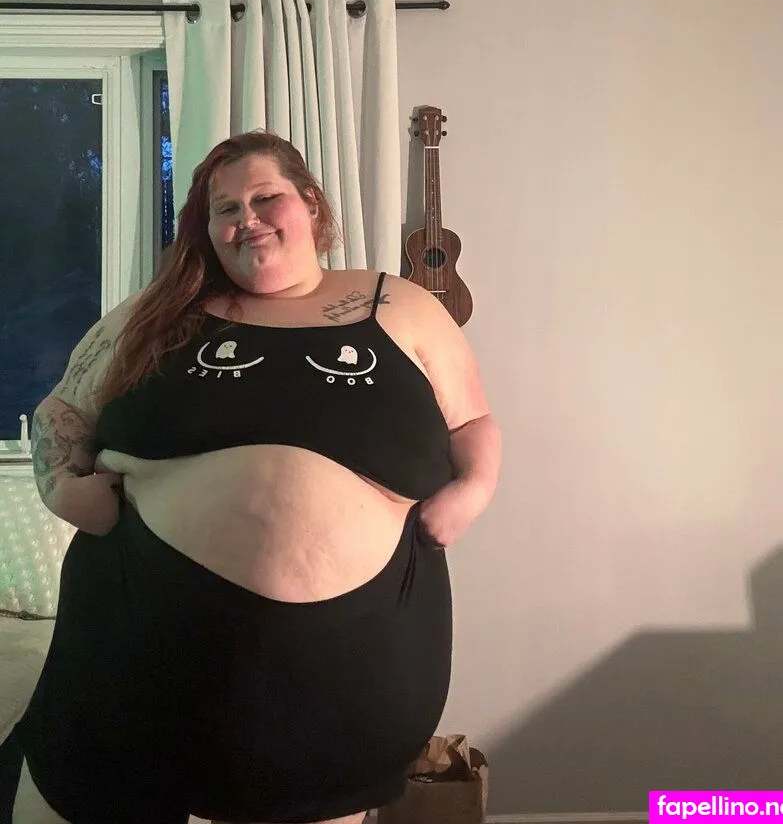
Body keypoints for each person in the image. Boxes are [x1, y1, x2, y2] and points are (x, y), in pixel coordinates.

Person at [13, 129, 501, 824]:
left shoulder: (398, 306)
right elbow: (60, 409)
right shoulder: (161, 314)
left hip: (341, 682)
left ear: (311, 204)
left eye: (265, 198)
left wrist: (472, 491)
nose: (247, 220)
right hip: (135, 651)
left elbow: (472, 422)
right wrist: (63, 487)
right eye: (226, 209)